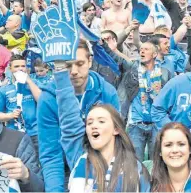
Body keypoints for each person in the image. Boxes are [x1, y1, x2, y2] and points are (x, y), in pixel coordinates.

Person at [52, 59, 151, 192]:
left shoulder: (136, 169)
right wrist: (60, 68)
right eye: (89, 122)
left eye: (101, 121)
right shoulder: (80, 158)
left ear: (116, 129)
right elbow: (69, 122)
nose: (93, 126)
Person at [37, 41, 120, 192]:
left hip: (102, 167)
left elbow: (116, 141)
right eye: (68, 65)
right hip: (65, 169)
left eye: (79, 63)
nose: (74, 71)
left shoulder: (107, 92)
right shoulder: (48, 99)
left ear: (90, 61)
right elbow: (51, 154)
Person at [0, 55, 43, 151]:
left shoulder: (35, 84)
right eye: (16, 66)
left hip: (36, 133)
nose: (20, 69)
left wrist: (28, 81)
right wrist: (10, 115)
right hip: (15, 134)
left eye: (23, 66)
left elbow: (42, 101)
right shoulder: (3, 90)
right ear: (10, 69)